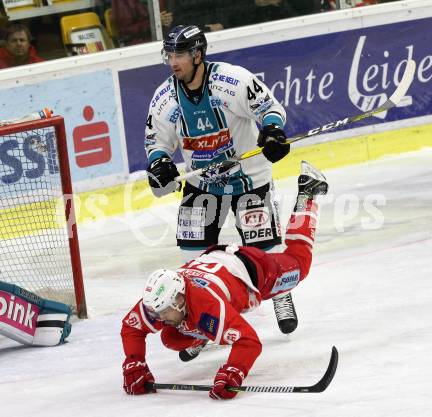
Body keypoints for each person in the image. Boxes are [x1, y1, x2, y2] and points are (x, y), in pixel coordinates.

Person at [121, 161, 328, 399]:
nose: (159, 317)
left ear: (179, 300)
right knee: (171, 336)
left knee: (299, 263)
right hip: (215, 266)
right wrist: (134, 363)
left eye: (164, 312)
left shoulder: (207, 307)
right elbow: (132, 326)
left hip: (256, 271)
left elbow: (249, 341)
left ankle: (308, 194)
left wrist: (234, 372)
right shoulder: (162, 298)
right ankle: (203, 334)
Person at [144, 24, 297, 334]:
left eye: (180, 56)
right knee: (193, 260)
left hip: (250, 180)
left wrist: (271, 131)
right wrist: (159, 162)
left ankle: (280, 295)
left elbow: (268, 108)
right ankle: (199, 320)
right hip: (202, 185)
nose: (173, 62)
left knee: (264, 250)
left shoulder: (232, 80)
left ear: (198, 54)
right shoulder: (165, 98)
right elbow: (157, 143)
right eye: (169, 55)